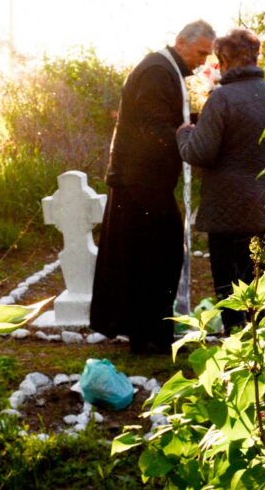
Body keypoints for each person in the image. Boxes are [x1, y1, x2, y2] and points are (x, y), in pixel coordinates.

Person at [89, 20, 216, 354]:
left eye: (208, 56)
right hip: (140, 180)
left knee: (148, 258)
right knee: (156, 257)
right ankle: (149, 337)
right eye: (200, 53)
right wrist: (196, 131)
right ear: (180, 41)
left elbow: (169, 121)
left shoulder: (164, 68)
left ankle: (147, 334)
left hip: (143, 179)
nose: (202, 62)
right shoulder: (158, 71)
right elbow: (156, 127)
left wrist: (202, 120)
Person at [175, 28, 265, 334]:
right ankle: (263, 344)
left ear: (224, 60)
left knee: (230, 288)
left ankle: (236, 346)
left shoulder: (222, 99)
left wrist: (184, 133)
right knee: (262, 283)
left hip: (228, 213)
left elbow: (200, 152)